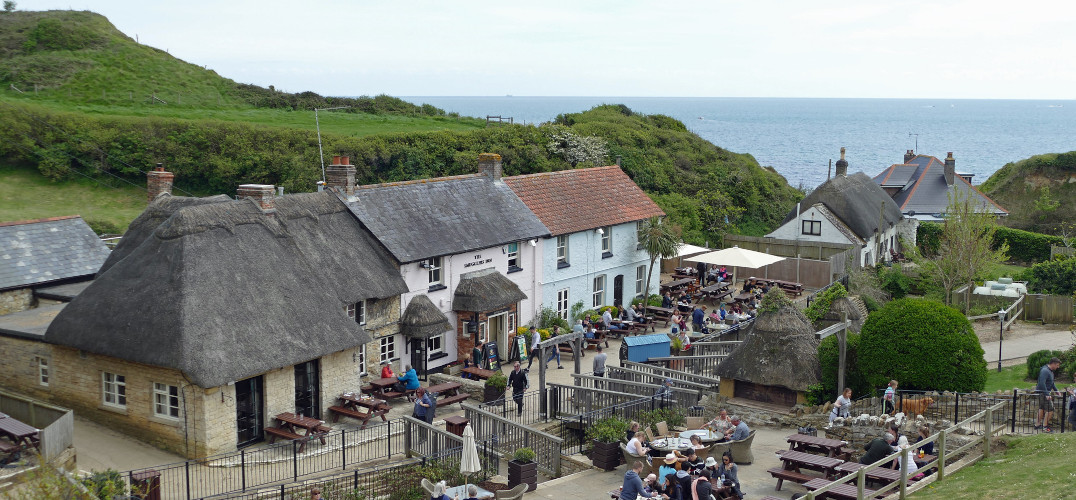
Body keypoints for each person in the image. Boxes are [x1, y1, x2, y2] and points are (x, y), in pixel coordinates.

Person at [1035, 357, 1061, 432]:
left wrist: (1056, 391)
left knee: (1041, 408)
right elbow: (1041, 383)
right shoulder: (1045, 371)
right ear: (1053, 364)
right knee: (1050, 410)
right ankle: (1045, 427)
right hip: (1043, 393)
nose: (1058, 367)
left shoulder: (1050, 371)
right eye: (1057, 365)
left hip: (1043, 392)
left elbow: (1051, 382)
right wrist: (1046, 393)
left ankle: (1037, 424)